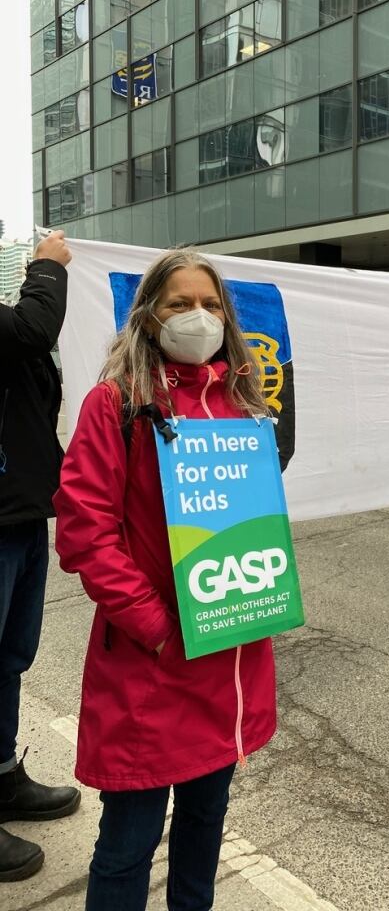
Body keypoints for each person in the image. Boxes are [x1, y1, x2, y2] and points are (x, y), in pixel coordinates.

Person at [54, 248, 278, 911]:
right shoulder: (114, 404)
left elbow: (253, 522)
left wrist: (261, 596)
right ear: (150, 318)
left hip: (226, 658)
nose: (198, 317)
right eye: (180, 303)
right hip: (151, 668)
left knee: (205, 829)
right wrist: (155, 629)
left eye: (210, 304)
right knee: (128, 844)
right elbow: (85, 536)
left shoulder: (244, 407)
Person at [0, 229, 81, 882]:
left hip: (20, 513)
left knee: (9, 660)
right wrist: (48, 270)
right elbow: (32, 330)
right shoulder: (18, 318)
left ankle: (1, 779)